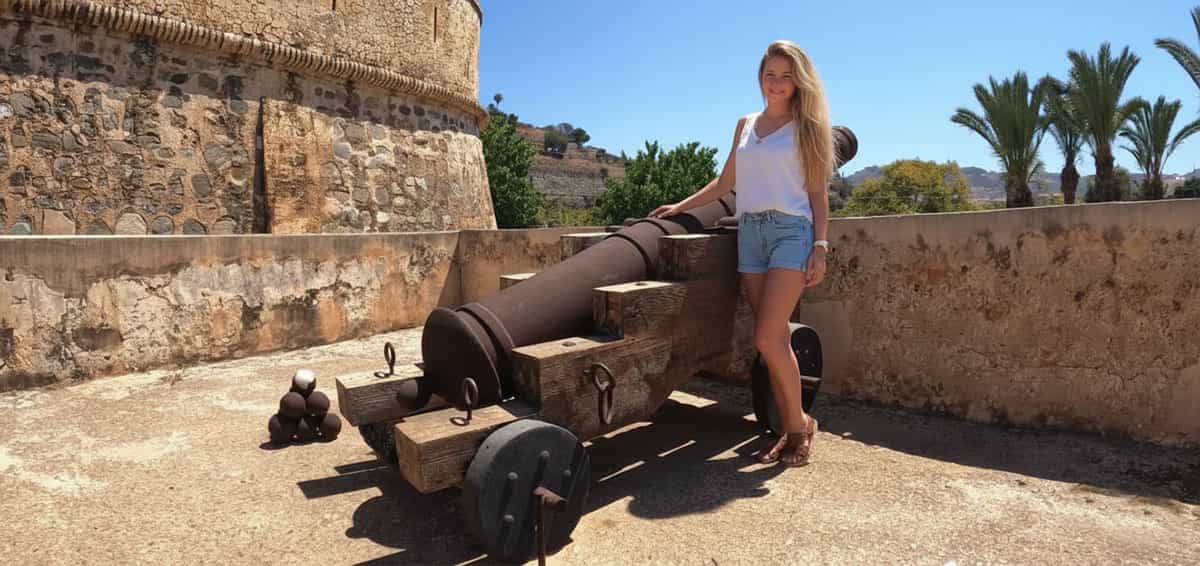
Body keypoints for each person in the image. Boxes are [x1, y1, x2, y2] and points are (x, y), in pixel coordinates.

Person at [650, 40, 834, 467]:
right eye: (770, 74)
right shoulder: (745, 124)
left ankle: (797, 429)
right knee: (774, 341)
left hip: (792, 232)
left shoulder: (807, 126)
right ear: (760, 78)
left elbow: (817, 195)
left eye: (786, 75)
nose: (776, 83)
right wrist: (680, 207)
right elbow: (725, 183)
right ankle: (799, 422)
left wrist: (820, 248)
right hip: (750, 235)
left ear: (799, 80)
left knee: (767, 336)